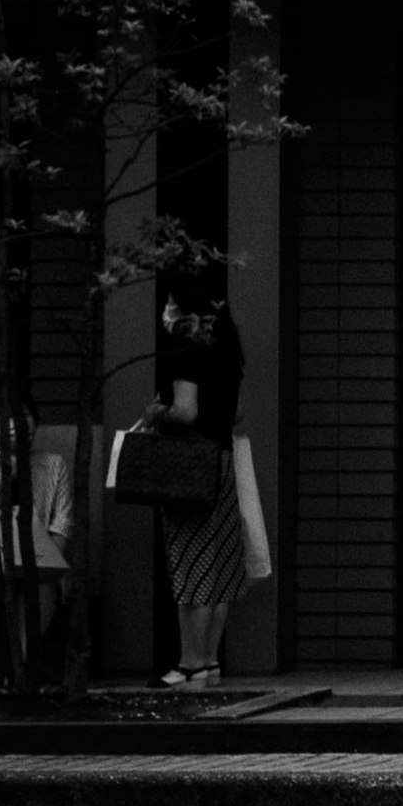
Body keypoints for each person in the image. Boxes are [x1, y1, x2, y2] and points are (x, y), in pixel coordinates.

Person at [145, 288, 265, 691]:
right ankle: (210, 661)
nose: (166, 313)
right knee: (221, 566)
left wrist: (157, 413)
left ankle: (189, 664)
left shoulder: (187, 354)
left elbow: (186, 411)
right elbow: (237, 412)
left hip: (189, 468)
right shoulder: (229, 355)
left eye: (171, 306)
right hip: (222, 461)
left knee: (190, 564)